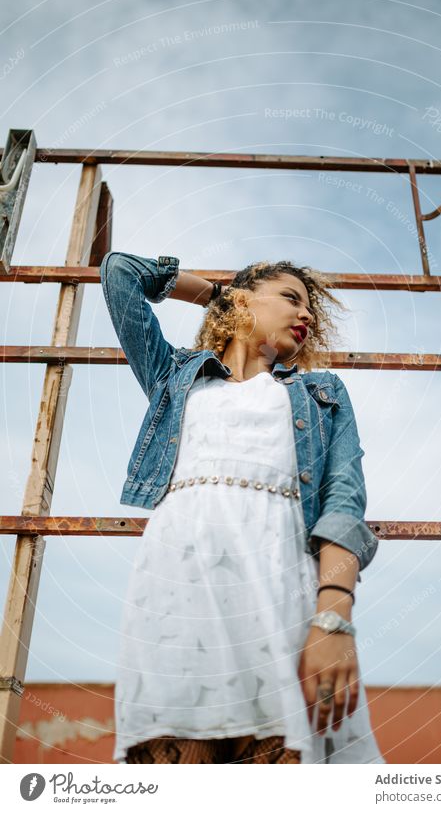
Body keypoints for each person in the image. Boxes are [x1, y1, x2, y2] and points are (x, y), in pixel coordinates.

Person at [100, 250, 384, 764]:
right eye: (292, 299)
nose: (307, 316)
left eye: (311, 310)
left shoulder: (323, 394)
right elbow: (120, 273)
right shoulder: (175, 378)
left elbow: (344, 500)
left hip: (280, 590)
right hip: (175, 591)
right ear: (243, 297)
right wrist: (217, 295)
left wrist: (335, 617)